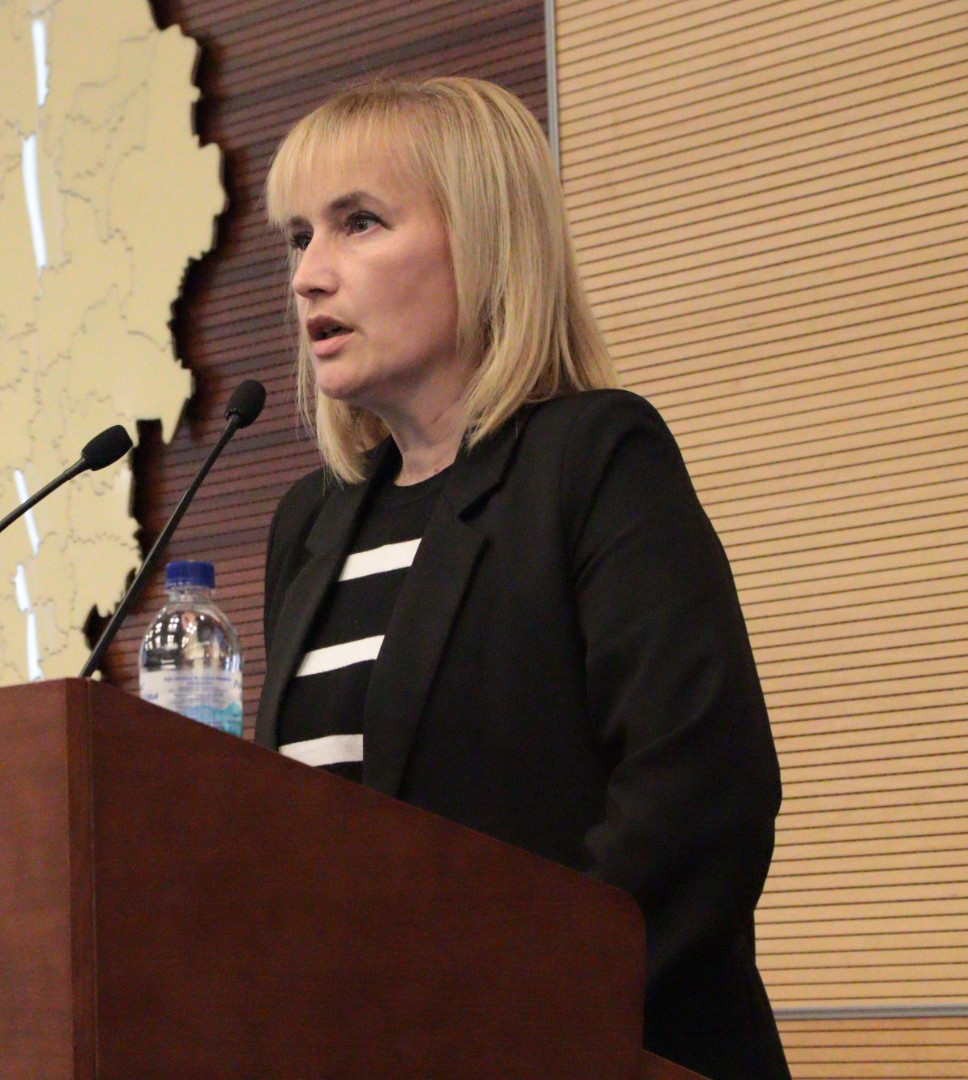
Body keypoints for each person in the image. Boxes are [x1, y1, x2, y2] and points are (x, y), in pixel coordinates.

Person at [255, 76, 791, 1080]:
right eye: (298, 237)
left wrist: (511, 1022)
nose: (309, 277)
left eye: (358, 223)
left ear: (486, 240)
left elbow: (699, 799)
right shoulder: (311, 525)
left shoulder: (594, 461)